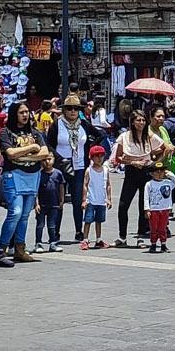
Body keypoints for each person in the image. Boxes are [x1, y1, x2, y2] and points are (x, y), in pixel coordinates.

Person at [0, 102, 46, 263]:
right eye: (21, 112)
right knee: (15, 212)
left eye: (26, 112)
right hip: (13, 176)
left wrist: (24, 156)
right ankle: (1, 249)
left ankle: (20, 249)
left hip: (33, 176)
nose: (25, 115)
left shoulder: (35, 132)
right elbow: (10, 153)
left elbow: (44, 152)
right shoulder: (6, 132)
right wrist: (32, 148)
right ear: (14, 114)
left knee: (25, 215)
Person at [111, 108, 166, 247]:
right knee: (123, 205)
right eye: (138, 120)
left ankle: (140, 236)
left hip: (146, 172)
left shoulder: (149, 136)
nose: (141, 122)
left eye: (143, 120)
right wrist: (132, 162)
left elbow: (165, 147)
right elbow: (118, 158)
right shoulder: (125, 136)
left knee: (144, 205)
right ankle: (122, 236)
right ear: (132, 122)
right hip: (131, 172)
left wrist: (154, 162)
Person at [51, 93, 90, 241]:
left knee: (78, 200)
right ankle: (55, 232)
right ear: (64, 110)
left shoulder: (83, 124)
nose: (72, 111)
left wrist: (89, 154)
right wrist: (59, 159)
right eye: (69, 108)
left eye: (76, 108)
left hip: (79, 166)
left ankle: (79, 231)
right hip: (61, 167)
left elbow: (99, 135)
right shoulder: (57, 124)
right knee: (58, 200)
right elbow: (48, 144)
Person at [34, 150, 65, 253]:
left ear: (53, 159)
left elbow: (61, 187)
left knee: (52, 225)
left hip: (54, 204)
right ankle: (38, 243)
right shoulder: (39, 174)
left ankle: (53, 243)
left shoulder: (58, 173)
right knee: (40, 225)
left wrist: (62, 200)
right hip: (42, 205)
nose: (47, 162)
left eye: (49, 159)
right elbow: (36, 190)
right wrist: (36, 203)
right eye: (44, 159)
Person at [80, 145, 110, 248]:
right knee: (88, 220)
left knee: (99, 220)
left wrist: (109, 199)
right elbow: (85, 184)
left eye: (101, 155)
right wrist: (84, 200)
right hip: (91, 200)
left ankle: (98, 239)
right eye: (96, 156)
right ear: (92, 157)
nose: (99, 158)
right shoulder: (89, 170)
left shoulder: (106, 170)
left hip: (101, 200)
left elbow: (108, 185)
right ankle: (85, 239)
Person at [145, 168, 175, 254]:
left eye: (161, 172)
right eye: (157, 172)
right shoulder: (149, 184)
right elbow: (146, 197)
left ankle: (163, 244)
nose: (159, 174)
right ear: (151, 173)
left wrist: (170, 174)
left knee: (163, 228)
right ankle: (153, 244)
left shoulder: (167, 182)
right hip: (154, 209)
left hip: (164, 209)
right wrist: (147, 209)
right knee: (154, 228)